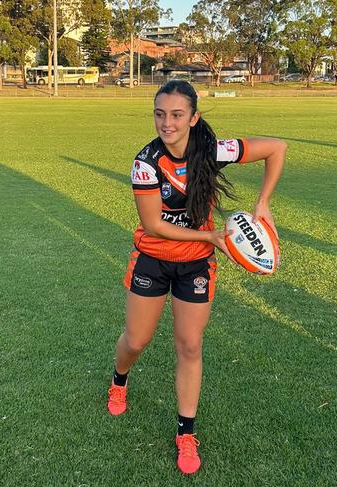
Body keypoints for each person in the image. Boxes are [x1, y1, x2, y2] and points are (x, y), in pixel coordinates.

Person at [106, 80, 286, 475]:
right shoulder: (146, 162)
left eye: (176, 115)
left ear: (193, 117)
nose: (166, 123)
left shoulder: (212, 151)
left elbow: (276, 148)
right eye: (159, 114)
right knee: (136, 340)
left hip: (196, 265)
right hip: (153, 260)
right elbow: (152, 225)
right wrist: (209, 236)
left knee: (190, 346)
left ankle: (186, 432)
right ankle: (119, 379)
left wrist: (263, 202)